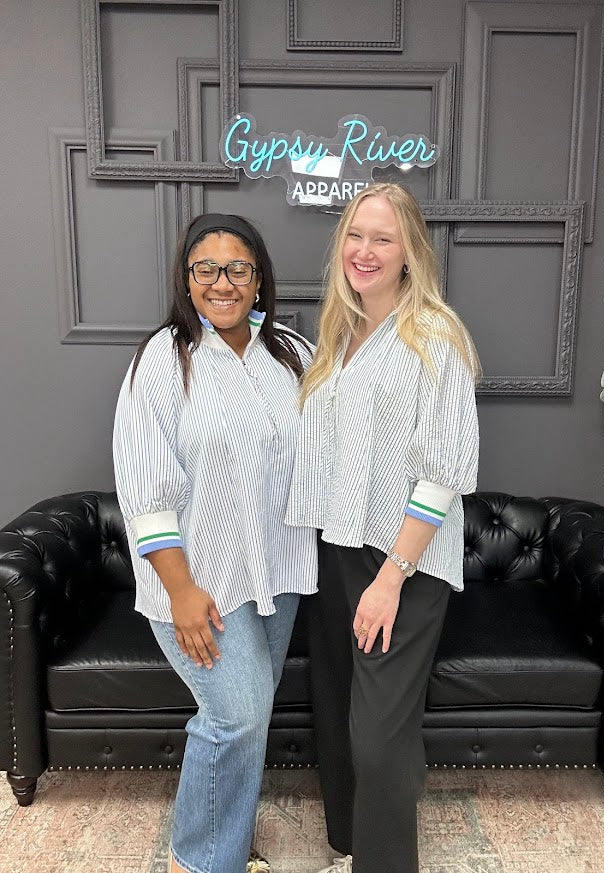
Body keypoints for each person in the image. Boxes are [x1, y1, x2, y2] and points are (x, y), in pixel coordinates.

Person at [113, 213, 317, 873]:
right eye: (207, 268)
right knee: (236, 716)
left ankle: (226, 846)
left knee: (250, 719)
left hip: (277, 575)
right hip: (197, 580)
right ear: (186, 277)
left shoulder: (291, 351)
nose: (222, 282)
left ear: (259, 280)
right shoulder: (164, 359)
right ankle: (199, 862)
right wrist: (180, 589)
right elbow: (144, 487)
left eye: (238, 269)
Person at [286, 183, 481, 873]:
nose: (364, 251)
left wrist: (392, 577)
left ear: (409, 252)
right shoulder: (338, 335)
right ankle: (350, 848)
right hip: (336, 548)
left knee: (378, 737)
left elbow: (443, 470)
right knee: (338, 716)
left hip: (402, 562)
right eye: (355, 235)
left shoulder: (434, 337)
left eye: (383, 238)